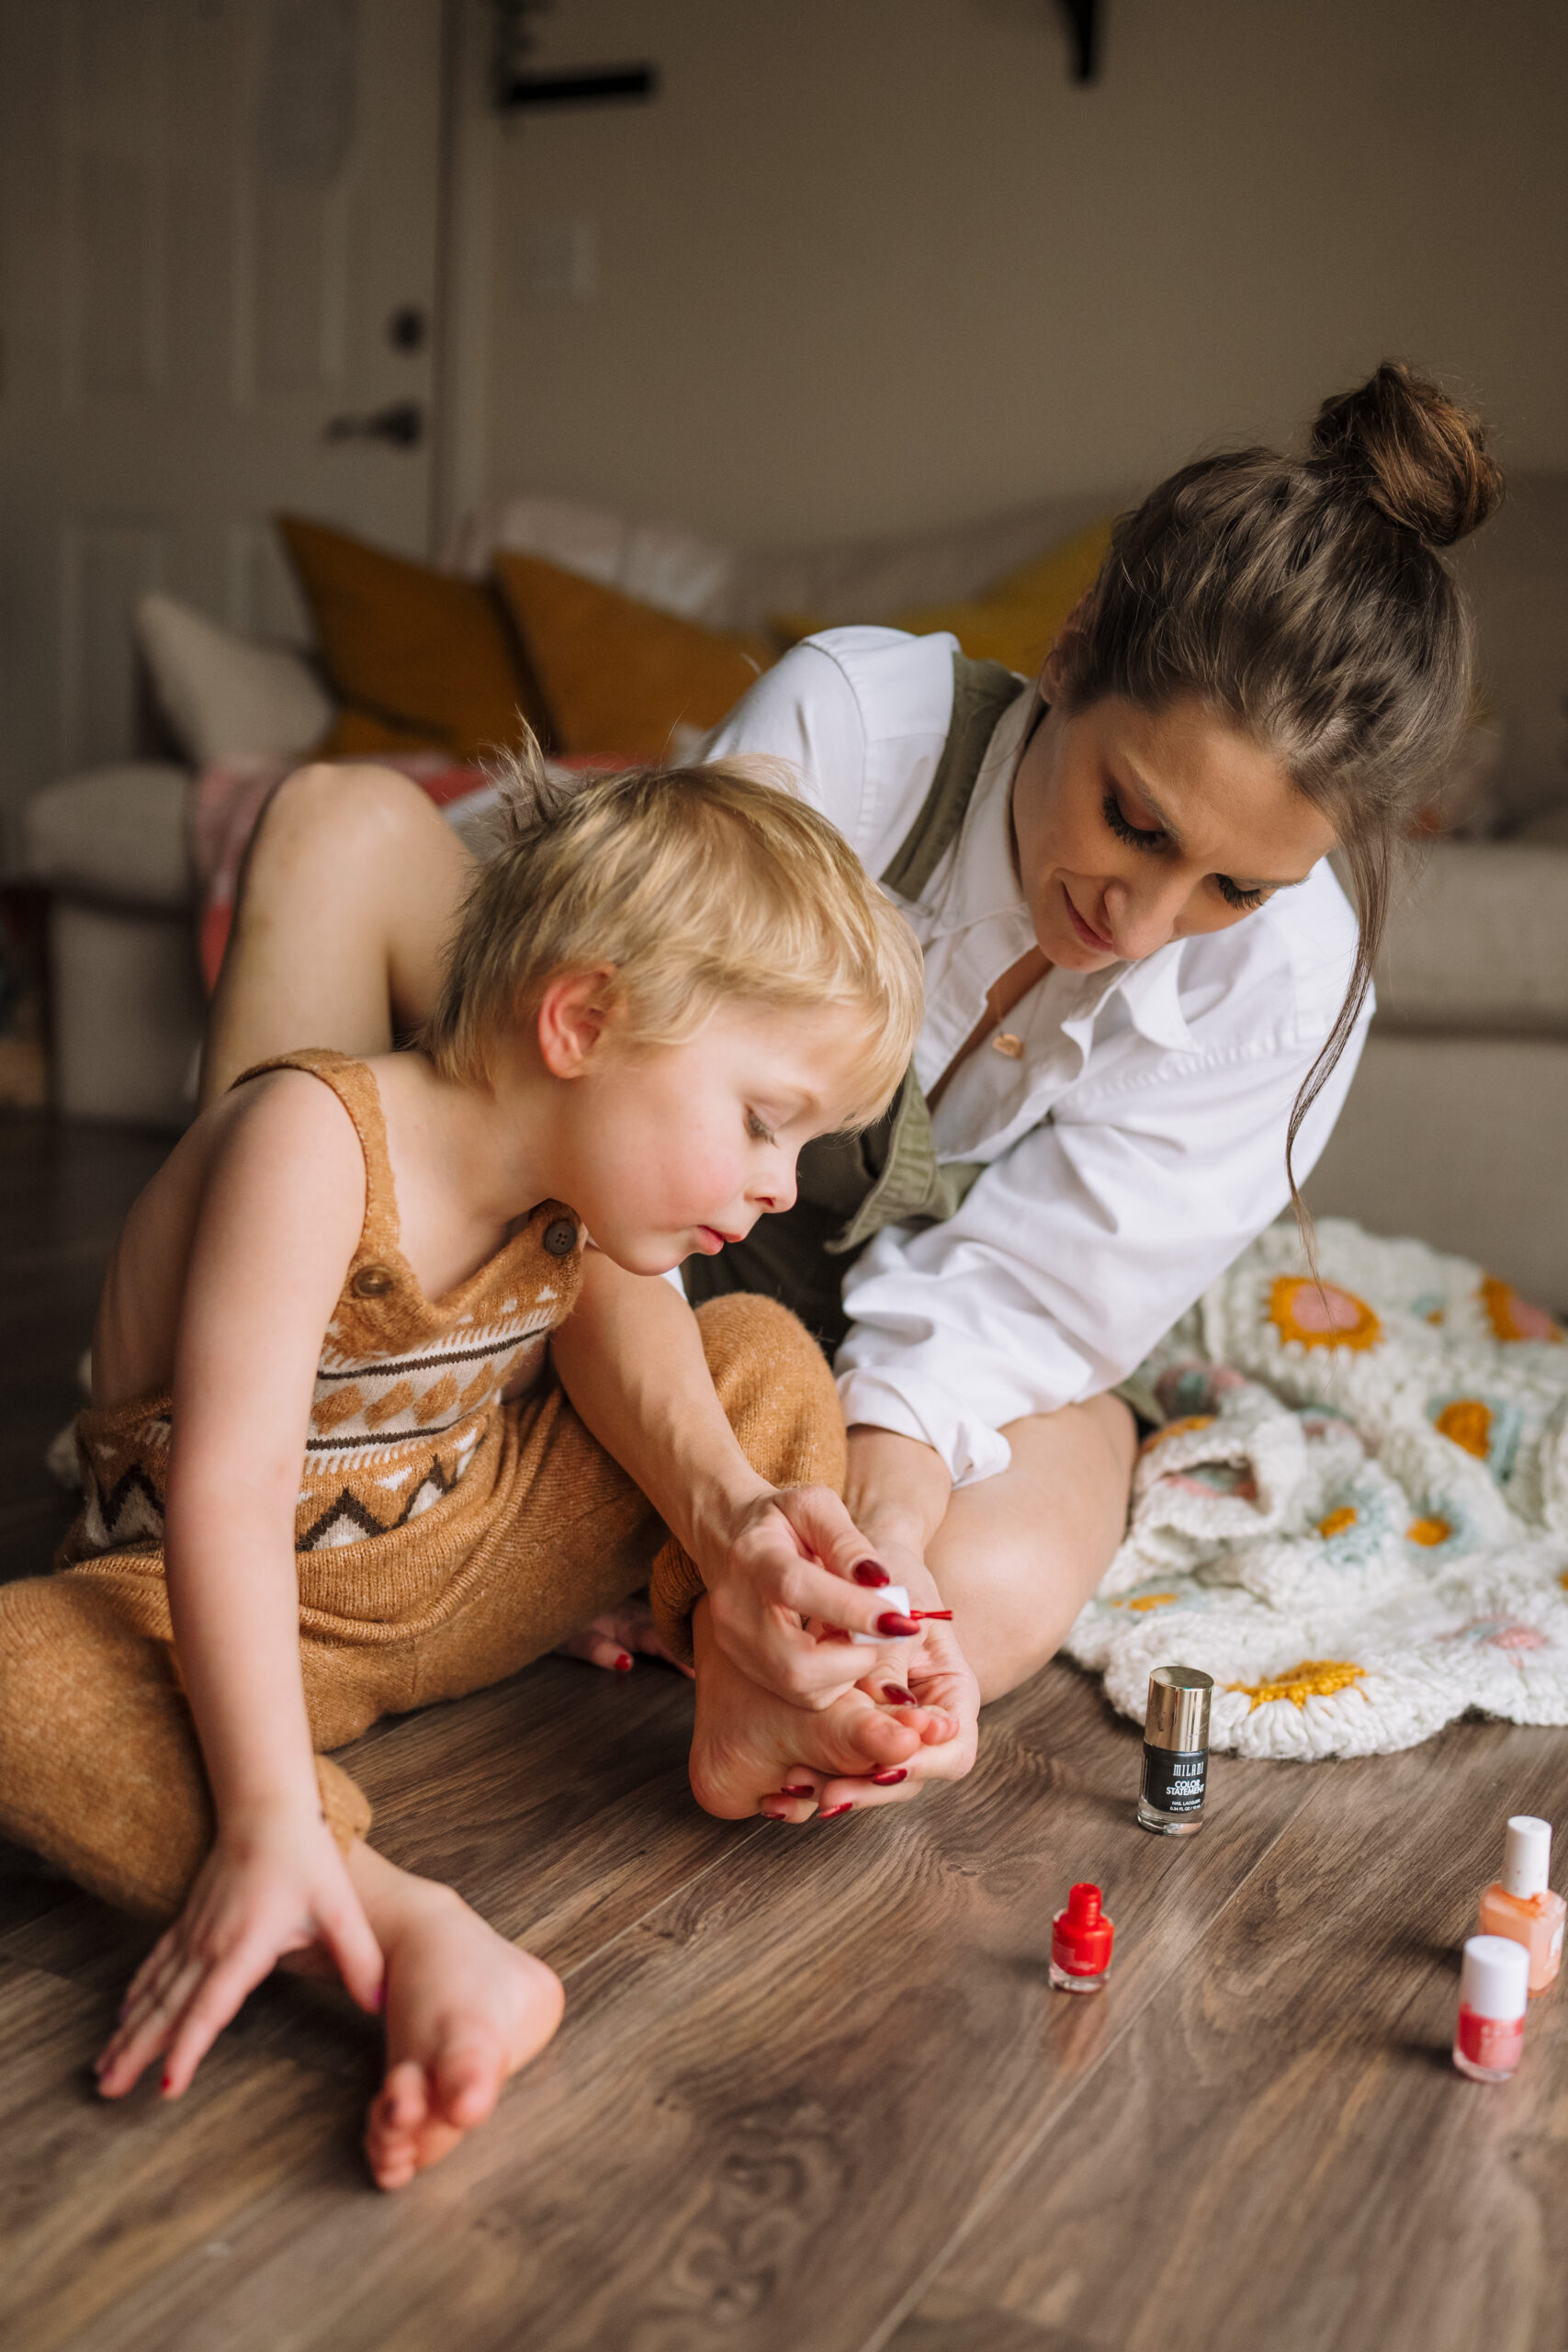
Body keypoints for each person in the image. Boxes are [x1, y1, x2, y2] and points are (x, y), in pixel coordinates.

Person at [199, 360, 1504, 1826]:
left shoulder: (1300, 982)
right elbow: (607, 1136)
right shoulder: (857, 727)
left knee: (987, 1591)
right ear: (1071, 655)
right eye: (1134, 819)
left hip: (839, 1339)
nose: (1140, 924)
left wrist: (873, 1551)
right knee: (336, 826)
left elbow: (1020, 1313)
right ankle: (249, 1442)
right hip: (614, 1210)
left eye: (1234, 888)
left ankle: (728, 1657)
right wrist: (730, 1507)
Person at [0, 752, 946, 2190]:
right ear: (580, 1020)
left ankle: (753, 1696)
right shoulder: (312, 1138)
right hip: (247, 1615)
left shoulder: (584, 1200)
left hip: (471, 1542)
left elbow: (661, 1401)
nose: (780, 1186)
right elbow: (231, 1497)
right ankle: (366, 1907)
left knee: (760, 1345)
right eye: (764, 1120)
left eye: (803, 1146)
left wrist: (769, 1555)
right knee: (17, 1671)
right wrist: (263, 1802)